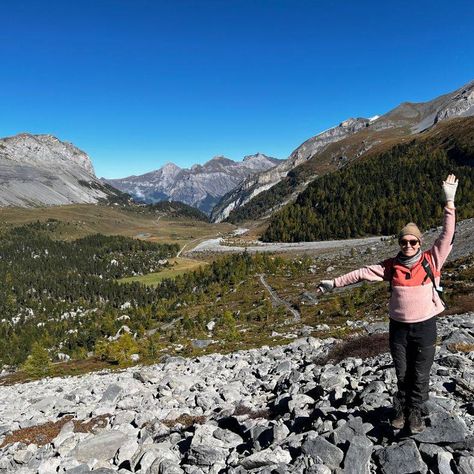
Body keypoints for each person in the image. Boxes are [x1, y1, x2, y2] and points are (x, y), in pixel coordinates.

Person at [316, 174, 458, 434]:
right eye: (403, 241)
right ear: (399, 243)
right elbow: (361, 273)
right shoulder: (390, 266)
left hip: (425, 326)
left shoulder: (432, 260)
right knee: (402, 374)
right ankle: (401, 410)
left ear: (419, 243)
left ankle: (415, 413)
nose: (408, 245)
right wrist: (333, 283)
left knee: (421, 375)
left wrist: (449, 201)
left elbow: (447, 234)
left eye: (412, 241)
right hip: (399, 330)